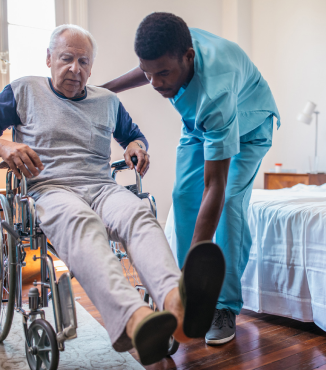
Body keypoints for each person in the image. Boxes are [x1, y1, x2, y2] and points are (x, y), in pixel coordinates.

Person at [0, 24, 225, 365]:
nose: (75, 68)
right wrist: (6, 145)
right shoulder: (23, 90)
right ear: (48, 59)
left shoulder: (107, 101)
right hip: (51, 188)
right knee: (82, 222)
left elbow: (134, 136)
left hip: (102, 187)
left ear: (92, 68)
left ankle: (177, 304)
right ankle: (135, 320)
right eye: (66, 58)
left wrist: (137, 146)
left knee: (139, 213)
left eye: (83, 62)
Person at [102, 12, 280, 345]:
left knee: (228, 203)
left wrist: (199, 266)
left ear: (189, 58)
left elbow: (215, 185)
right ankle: (181, 299)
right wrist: (105, 90)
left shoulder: (215, 90)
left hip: (248, 127)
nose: (155, 83)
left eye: (163, 74)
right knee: (184, 198)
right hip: (201, 126)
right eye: (148, 73)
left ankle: (222, 305)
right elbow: (151, 68)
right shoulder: (174, 41)